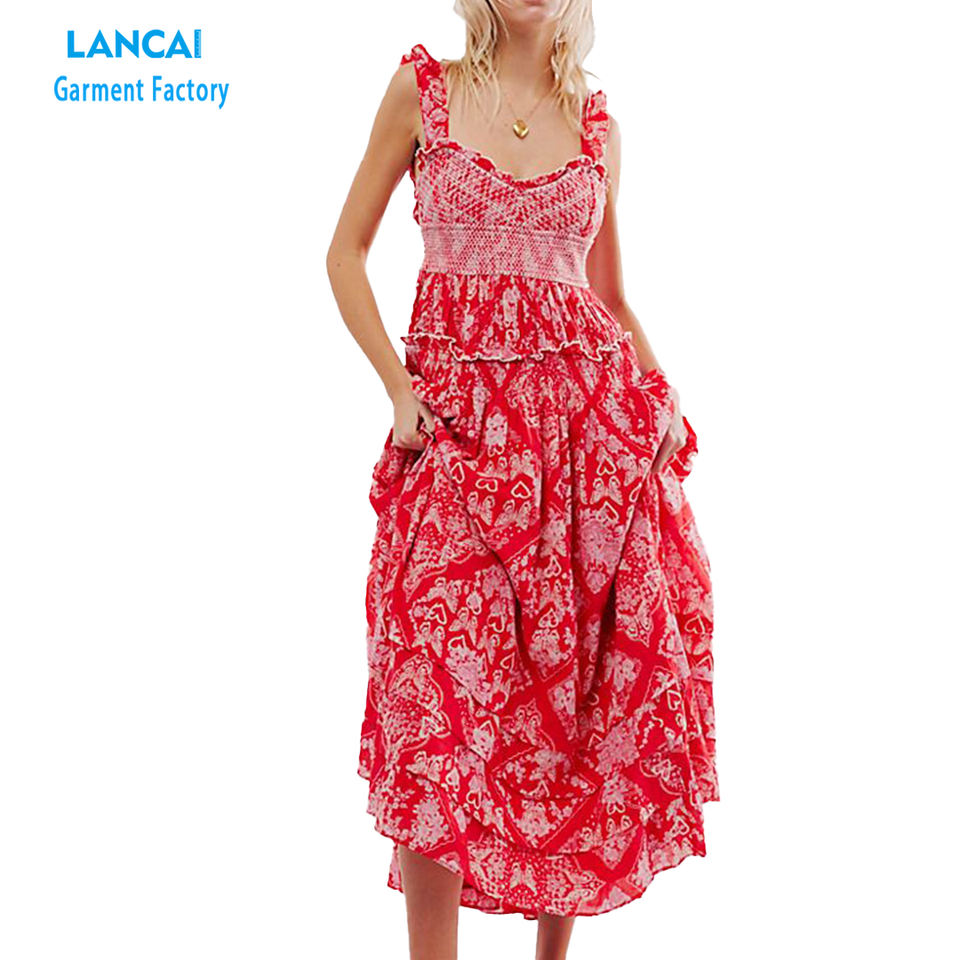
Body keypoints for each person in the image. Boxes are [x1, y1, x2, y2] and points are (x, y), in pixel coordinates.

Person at [326, 3, 718, 958]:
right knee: (433, 701)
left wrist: (658, 394)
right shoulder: (421, 94)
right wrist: (398, 389)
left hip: (584, 457)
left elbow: (608, 298)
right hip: (455, 444)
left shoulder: (600, 130)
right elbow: (345, 254)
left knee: (572, 709)